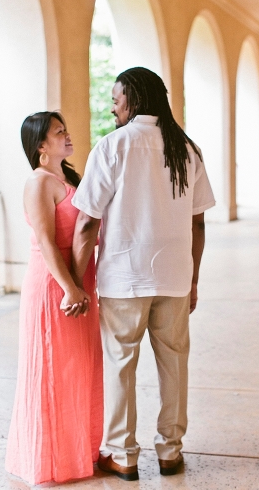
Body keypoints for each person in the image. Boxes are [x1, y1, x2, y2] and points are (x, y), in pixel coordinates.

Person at [71, 67, 214, 481]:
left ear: (132, 99)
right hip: (174, 276)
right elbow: (198, 223)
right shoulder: (187, 149)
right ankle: (170, 451)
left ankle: (122, 453)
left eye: (115, 100)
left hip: (124, 277)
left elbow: (87, 222)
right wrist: (193, 279)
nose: (112, 108)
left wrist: (75, 281)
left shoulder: (112, 146)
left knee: (121, 364)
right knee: (175, 364)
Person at [6, 112, 103, 485]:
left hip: (80, 282)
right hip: (53, 286)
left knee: (79, 368)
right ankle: (50, 461)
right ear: (41, 146)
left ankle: (79, 453)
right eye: (59, 132)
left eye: (65, 129)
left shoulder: (68, 178)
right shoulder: (38, 182)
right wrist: (70, 288)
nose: (67, 135)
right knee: (53, 370)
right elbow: (46, 242)